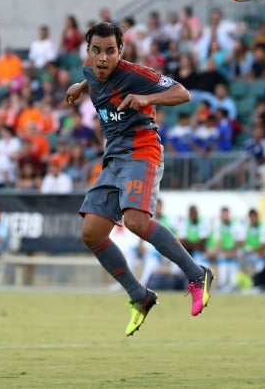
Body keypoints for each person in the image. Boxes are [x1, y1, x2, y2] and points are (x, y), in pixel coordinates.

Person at [65, 22, 213, 336]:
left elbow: (182, 93)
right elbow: (91, 78)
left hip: (142, 149)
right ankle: (139, 295)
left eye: (110, 51)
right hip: (114, 158)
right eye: (96, 51)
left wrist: (148, 100)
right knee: (92, 233)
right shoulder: (91, 72)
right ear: (87, 52)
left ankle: (197, 274)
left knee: (135, 220)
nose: (103, 58)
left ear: (121, 52)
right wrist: (80, 87)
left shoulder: (136, 75)